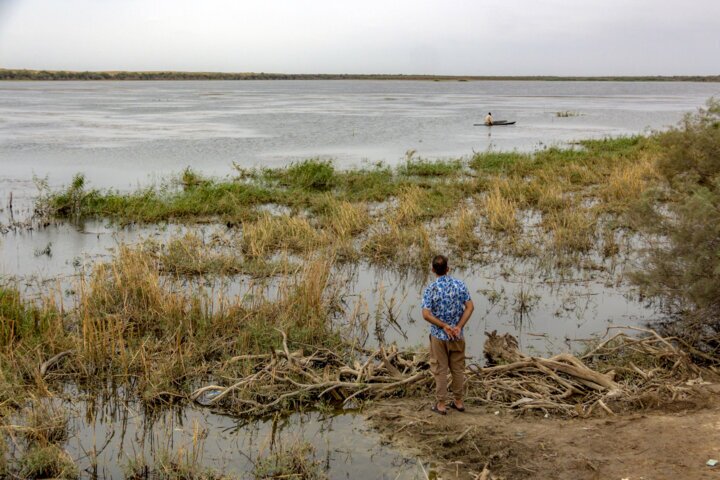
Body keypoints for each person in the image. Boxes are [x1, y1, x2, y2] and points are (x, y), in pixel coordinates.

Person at [421, 255, 474, 415]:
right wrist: (458, 327)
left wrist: (443, 326)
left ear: (433, 270)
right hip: (457, 336)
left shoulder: (431, 289)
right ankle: (458, 402)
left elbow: (425, 314)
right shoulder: (460, 285)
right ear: (448, 269)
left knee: (440, 370)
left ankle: (441, 405)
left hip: (439, 336)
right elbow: (470, 307)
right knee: (458, 369)